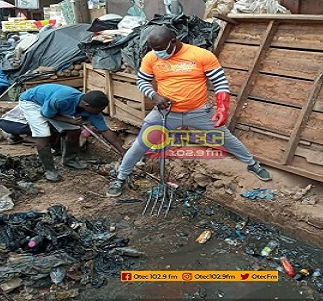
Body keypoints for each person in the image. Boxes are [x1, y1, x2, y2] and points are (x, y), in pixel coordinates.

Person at [107, 26, 272, 197]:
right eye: (154, 50)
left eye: (160, 49)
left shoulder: (201, 55)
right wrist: (154, 96)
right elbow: (142, 81)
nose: (157, 53)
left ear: (173, 42)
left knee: (225, 138)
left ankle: (253, 164)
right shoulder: (151, 57)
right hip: (166, 112)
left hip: (199, 111)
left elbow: (221, 84)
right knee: (141, 144)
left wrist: (222, 108)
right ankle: (120, 178)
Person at [18, 84, 125, 182]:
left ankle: (69, 160)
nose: (99, 113)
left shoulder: (92, 109)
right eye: (97, 110)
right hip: (32, 102)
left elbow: (105, 130)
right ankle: (50, 170)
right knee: (43, 134)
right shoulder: (62, 100)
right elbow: (46, 114)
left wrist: (122, 151)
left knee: (74, 130)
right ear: (86, 105)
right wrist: (70, 121)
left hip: (50, 105)